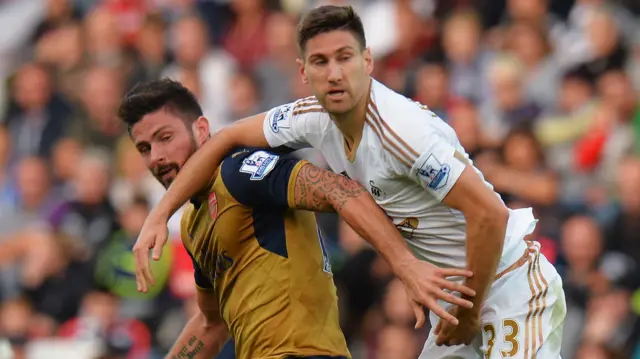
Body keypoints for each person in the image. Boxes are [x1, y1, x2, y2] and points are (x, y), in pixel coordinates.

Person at [135, 6, 567, 358]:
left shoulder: (403, 132)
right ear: (304, 72)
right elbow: (226, 137)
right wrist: (159, 215)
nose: (335, 73)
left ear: (367, 61)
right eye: (321, 62)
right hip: (455, 303)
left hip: (509, 285)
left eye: (345, 57)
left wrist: (465, 310)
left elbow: (489, 214)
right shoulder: (310, 119)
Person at [118, 79, 475, 359]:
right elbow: (211, 324)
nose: (157, 157)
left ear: (200, 130)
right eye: (145, 148)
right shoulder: (192, 225)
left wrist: (405, 265)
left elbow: (338, 189)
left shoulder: (238, 171)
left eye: (165, 138)